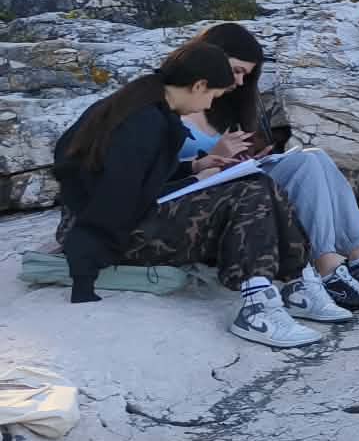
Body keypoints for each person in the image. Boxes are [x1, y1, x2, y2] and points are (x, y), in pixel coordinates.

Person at [50, 44, 325, 348]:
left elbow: (135, 173)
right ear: (199, 85)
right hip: (112, 233)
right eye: (212, 95)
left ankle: (295, 282)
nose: (209, 104)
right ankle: (257, 308)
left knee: (257, 181)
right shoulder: (144, 121)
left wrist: (195, 166)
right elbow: (121, 199)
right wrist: (196, 180)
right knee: (250, 191)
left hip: (114, 217)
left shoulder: (143, 103)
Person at [182, 23, 359, 310]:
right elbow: (162, 168)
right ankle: (327, 267)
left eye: (245, 75)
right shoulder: (174, 102)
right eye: (236, 71)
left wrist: (245, 157)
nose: (239, 82)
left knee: (316, 156)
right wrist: (210, 158)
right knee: (304, 163)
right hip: (203, 197)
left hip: (235, 182)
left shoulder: (225, 103)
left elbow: (230, 154)